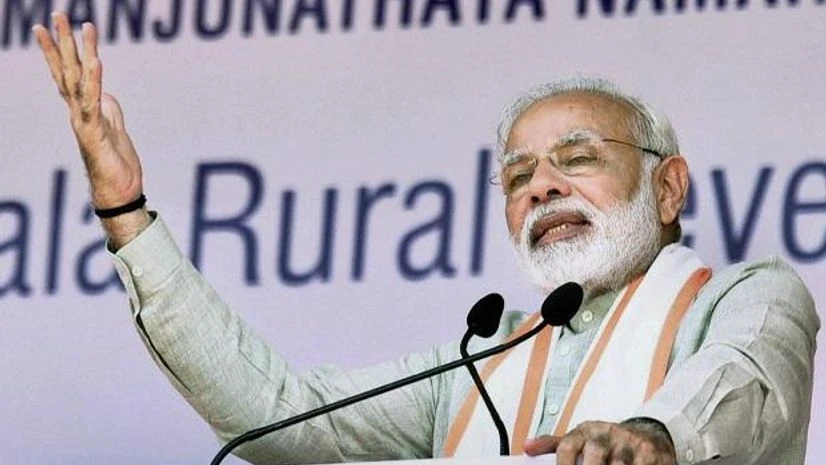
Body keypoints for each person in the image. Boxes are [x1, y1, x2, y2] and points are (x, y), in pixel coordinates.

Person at [33, 12, 819, 465]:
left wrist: (651, 436)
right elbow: (273, 413)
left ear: (669, 186)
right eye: (517, 178)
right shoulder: (480, 364)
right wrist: (127, 210)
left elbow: (741, 382)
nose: (541, 185)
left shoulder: (746, 298)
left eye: (577, 159)